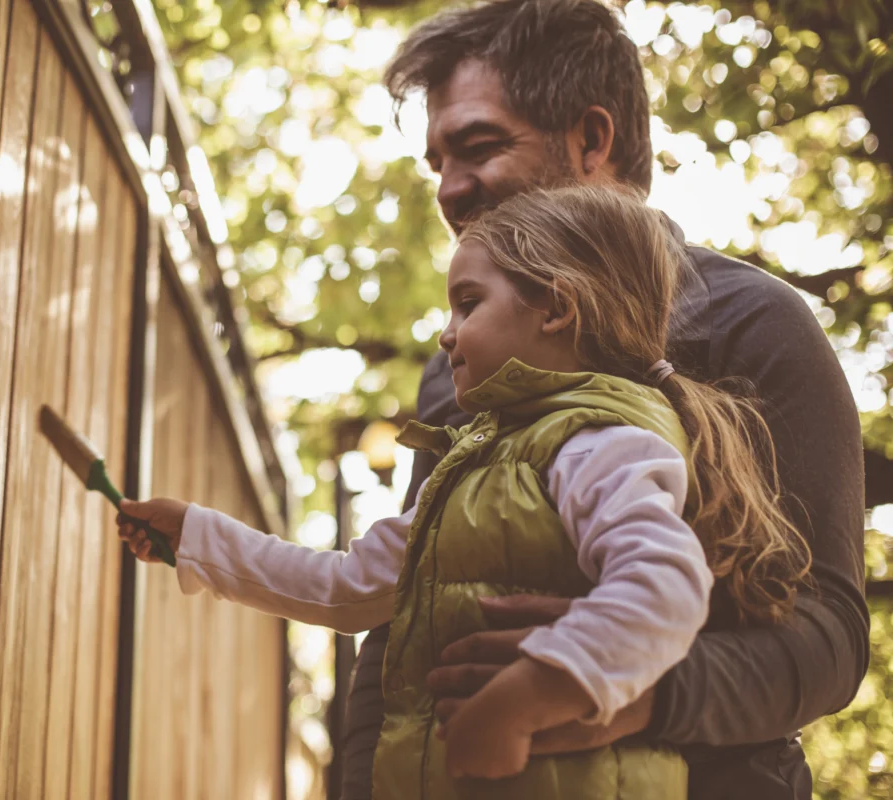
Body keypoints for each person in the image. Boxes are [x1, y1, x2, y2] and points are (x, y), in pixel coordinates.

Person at [117, 185, 813, 799]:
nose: (447, 335)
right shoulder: (476, 464)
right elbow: (349, 586)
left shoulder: (600, 444)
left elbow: (663, 584)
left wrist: (526, 697)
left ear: (557, 308)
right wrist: (201, 539)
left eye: (468, 303)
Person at [339, 2, 866, 798]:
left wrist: (632, 692)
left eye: (478, 146)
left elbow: (829, 638)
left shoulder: (759, 327)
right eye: (437, 161)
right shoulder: (455, 373)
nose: (449, 189)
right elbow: (395, 621)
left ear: (592, 139)